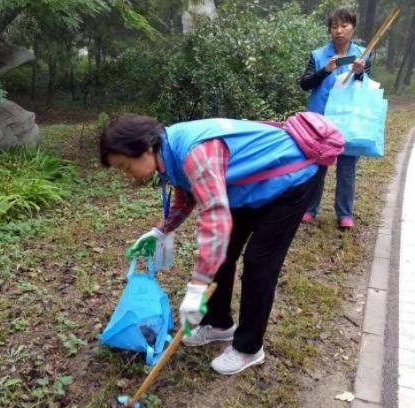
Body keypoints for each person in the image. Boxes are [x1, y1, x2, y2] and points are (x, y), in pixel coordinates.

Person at [99, 113, 335, 375]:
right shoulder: (168, 149)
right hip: (250, 184)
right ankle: (220, 324)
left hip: (291, 179)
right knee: (224, 256)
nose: (127, 175)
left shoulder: (195, 152)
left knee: (259, 262)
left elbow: (215, 221)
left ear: (143, 148)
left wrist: (197, 287)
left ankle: (249, 348)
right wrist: (160, 231)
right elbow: (186, 196)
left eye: (125, 166)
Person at [300, 8, 371, 228]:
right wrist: (325, 70)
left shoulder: (363, 53)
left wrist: (360, 72)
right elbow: (304, 84)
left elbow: (366, 86)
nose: (338, 31)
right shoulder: (318, 54)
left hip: (349, 118)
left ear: (353, 28)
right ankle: (310, 208)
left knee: (347, 167)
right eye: (334, 26)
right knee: (317, 166)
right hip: (321, 119)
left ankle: (344, 213)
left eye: (344, 25)